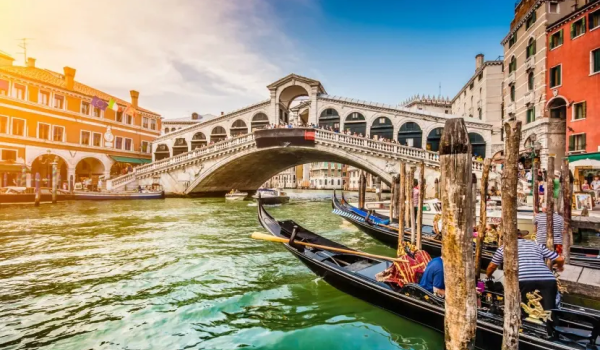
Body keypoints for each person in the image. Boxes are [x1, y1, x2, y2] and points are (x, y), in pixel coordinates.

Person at [486, 231, 564, 311]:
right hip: (548, 279)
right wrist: (560, 267)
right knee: (549, 308)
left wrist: (488, 276)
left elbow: (492, 266)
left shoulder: (504, 247)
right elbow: (560, 259)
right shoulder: (536, 244)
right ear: (521, 236)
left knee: (525, 307)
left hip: (524, 279)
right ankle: (552, 322)